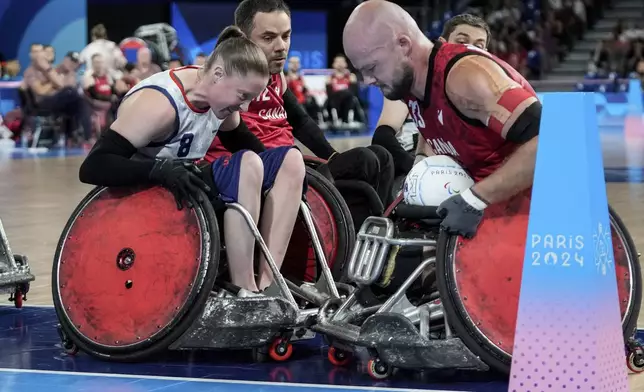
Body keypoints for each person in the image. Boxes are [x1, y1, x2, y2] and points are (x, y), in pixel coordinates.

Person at [78, 26, 307, 296]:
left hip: (186, 187)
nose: (244, 108)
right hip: (147, 196)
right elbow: (93, 166)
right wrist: (158, 170)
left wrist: (288, 175)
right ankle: (244, 289)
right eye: (242, 96)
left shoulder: (220, 99)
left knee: (290, 160)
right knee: (247, 164)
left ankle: (270, 283)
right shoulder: (160, 105)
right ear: (218, 74)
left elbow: (253, 148)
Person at [343, 1, 539, 238]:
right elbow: (433, 131)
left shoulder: (465, 78)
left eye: (372, 67)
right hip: (497, 203)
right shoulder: (412, 84)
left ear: (403, 44)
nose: (367, 81)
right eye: (360, 71)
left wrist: (475, 198)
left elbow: (552, 139)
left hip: (536, 212)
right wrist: (420, 170)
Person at [204, 0, 395, 207]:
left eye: (286, 36)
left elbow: (301, 121)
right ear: (243, 37)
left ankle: (377, 230)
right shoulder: (226, 80)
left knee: (382, 156)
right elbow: (237, 137)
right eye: (268, 38)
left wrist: (332, 156)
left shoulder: (277, 76)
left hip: (290, 162)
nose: (281, 47)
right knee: (364, 160)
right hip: (265, 170)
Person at [372, 13, 492, 179]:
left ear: (485, 53)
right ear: (443, 43)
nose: (468, 49)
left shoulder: (488, 93)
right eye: (462, 41)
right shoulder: (413, 80)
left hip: (457, 171)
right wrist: (417, 172)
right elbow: (382, 136)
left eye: (478, 45)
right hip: (411, 162)